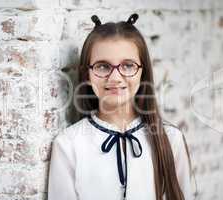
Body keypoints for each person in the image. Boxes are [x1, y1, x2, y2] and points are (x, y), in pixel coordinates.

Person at [48, 13, 195, 200]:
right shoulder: (68, 145)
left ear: (143, 72)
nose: (115, 78)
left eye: (128, 65)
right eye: (102, 66)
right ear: (87, 74)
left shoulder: (171, 140)